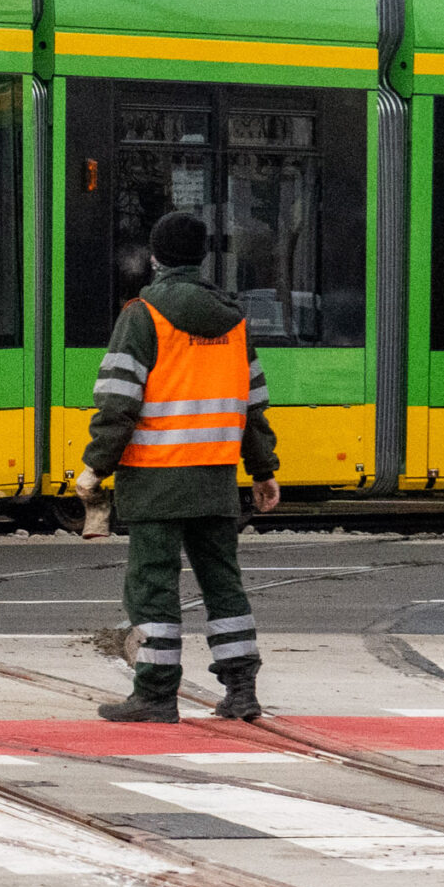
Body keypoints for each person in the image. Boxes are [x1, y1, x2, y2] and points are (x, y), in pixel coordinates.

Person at [79, 209, 281, 724]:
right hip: (215, 476)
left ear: (155, 257)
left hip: (156, 477)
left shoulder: (143, 314)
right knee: (223, 582)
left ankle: (155, 693)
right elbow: (252, 404)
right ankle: (241, 690)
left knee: (152, 585)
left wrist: (94, 467)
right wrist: (262, 470)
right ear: (203, 257)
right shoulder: (233, 319)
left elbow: (119, 402)